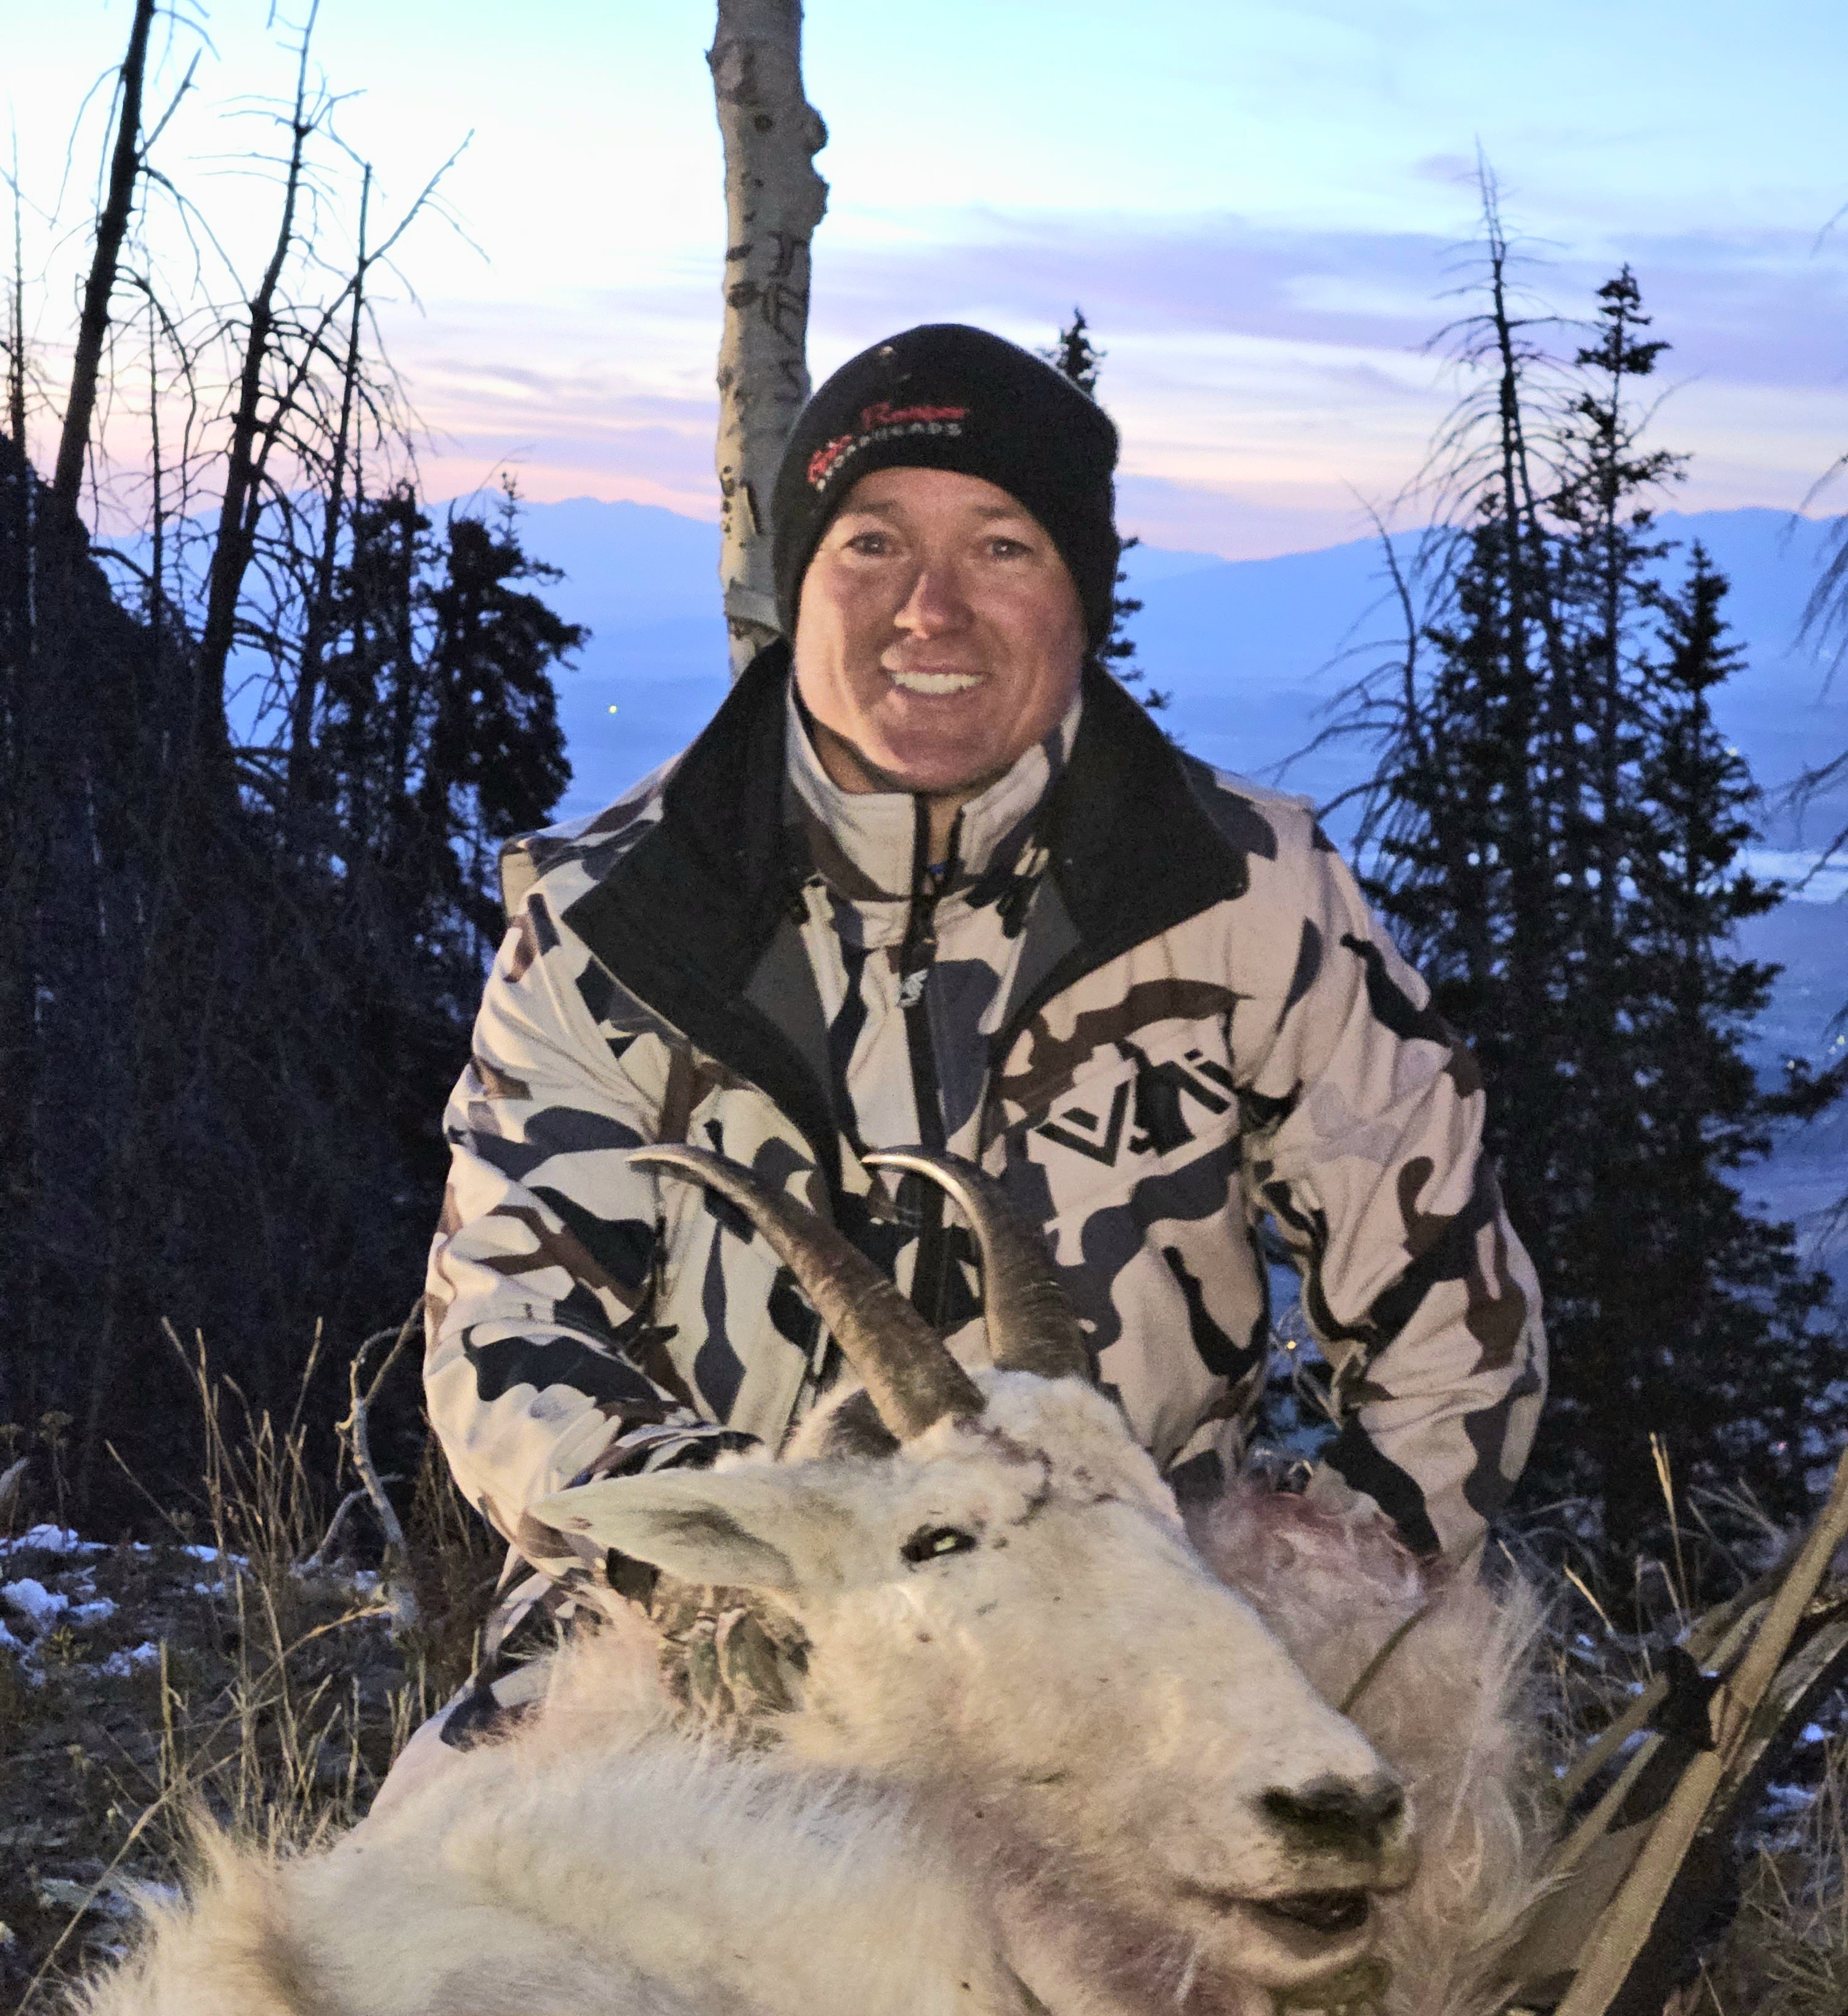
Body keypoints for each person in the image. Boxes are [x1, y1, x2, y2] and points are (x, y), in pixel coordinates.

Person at [408, 322, 1544, 1774]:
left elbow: (1454, 1320)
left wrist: (1280, 1599)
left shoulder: (1252, 893)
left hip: (1140, 1634)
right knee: (403, 1955)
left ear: (1083, 594)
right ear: (798, 585)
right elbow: (508, 1334)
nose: (928, 611)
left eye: (1002, 547)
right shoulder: (610, 919)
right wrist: (751, 1569)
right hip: (710, 1638)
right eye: (871, 544)